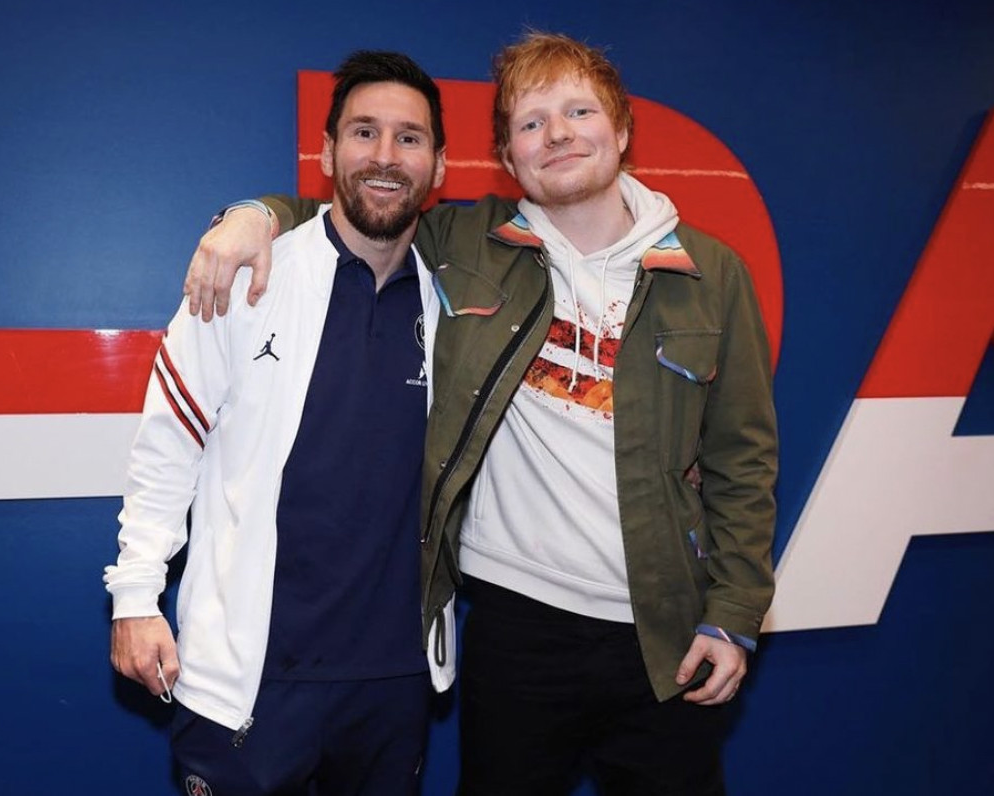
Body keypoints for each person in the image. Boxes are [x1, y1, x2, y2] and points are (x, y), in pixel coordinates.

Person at [187, 32, 777, 795]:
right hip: (513, 627)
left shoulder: (711, 272)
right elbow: (344, 210)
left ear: (623, 130)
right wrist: (249, 217)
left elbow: (743, 457)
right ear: (507, 154)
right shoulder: (466, 240)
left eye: (578, 111)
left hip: (665, 631)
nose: (557, 134)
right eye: (532, 123)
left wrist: (734, 611)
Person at [104, 50, 450, 796]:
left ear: (440, 165)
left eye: (409, 138)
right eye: (363, 132)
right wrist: (135, 598)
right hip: (247, 677)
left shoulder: (462, 303)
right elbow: (168, 443)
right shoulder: (246, 277)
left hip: (394, 680)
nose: (385, 157)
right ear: (326, 152)